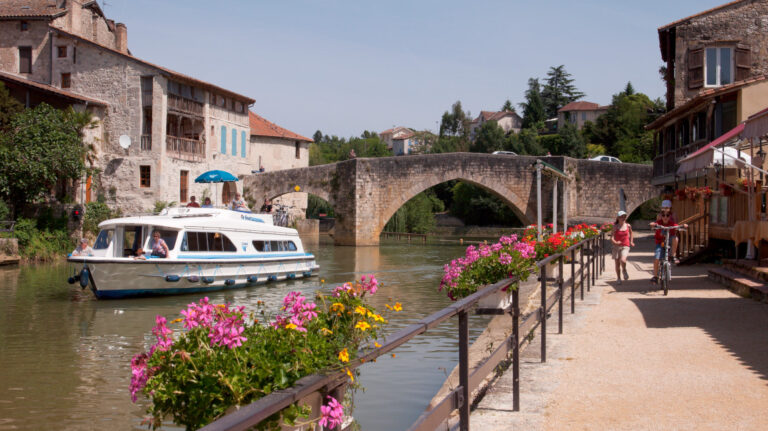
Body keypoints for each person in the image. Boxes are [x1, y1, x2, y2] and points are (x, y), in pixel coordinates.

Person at [649, 208, 687, 284]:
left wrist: (683, 226)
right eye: (663, 215)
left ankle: (673, 256)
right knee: (656, 259)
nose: (665, 217)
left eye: (667, 215)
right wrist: (652, 224)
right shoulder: (659, 223)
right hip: (660, 243)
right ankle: (655, 276)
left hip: (669, 243)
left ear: (670, 216)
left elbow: (678, 226)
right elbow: (653, 224)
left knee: (675, 238)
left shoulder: (672, 223)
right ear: (661, 216)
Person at [610, 210, 634, 284]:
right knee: (617, 264)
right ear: (618, 218)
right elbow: (611, 237)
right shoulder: (615, 226)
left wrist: (631, 241)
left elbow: (631, 233)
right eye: (621, 217)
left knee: (623, 260)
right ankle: (619, 278)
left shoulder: (628, 225)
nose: (623, 218)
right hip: (616, 247)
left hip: (625, 245)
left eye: (624, 216)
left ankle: (624, 270)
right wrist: (615, 242)